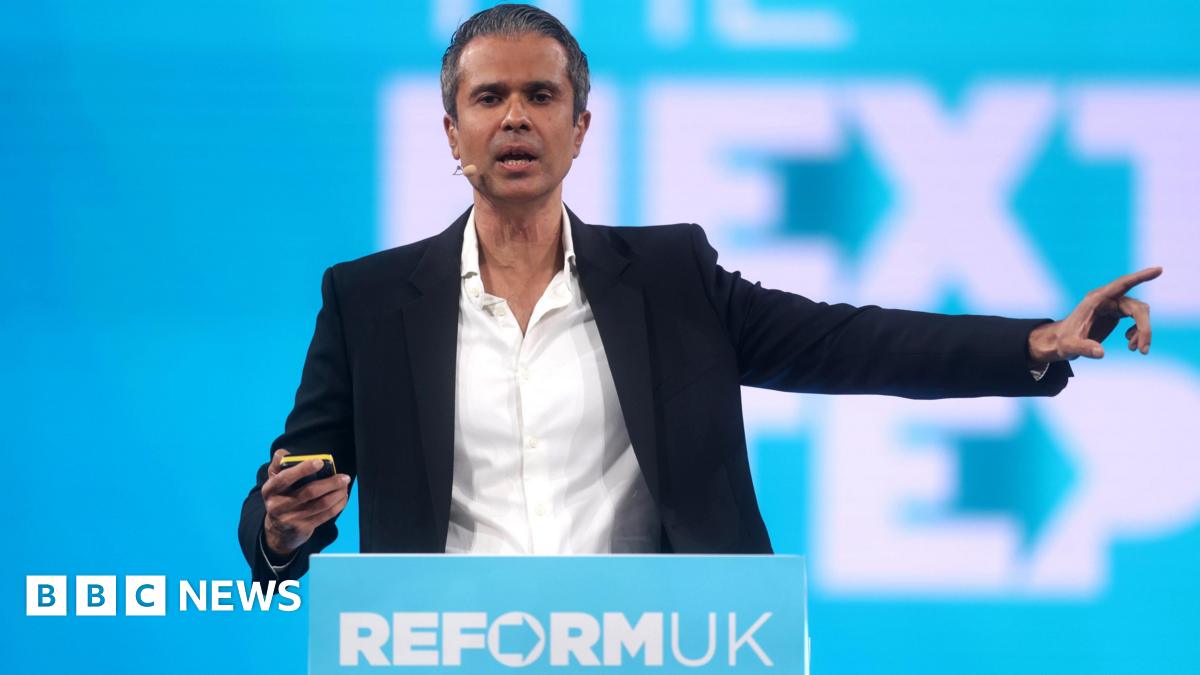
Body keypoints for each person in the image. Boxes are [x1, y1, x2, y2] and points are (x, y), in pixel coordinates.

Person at [238, 4, 1160, 583]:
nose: (515, 116)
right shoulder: (368, 301)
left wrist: (1035, 343)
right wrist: (282, 529)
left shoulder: (670, 278)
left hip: (655, 651)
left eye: (540, 96)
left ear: (580, 126)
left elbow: (847, 342)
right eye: (489, 99)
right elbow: (284, 494)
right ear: (451, 130)